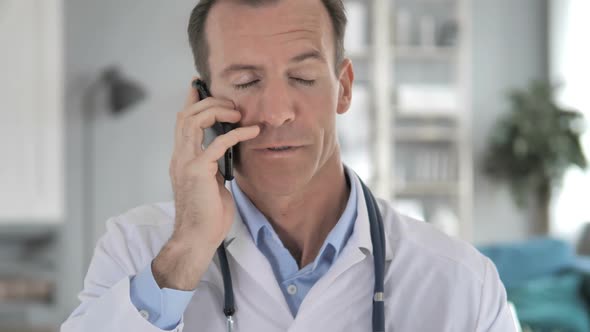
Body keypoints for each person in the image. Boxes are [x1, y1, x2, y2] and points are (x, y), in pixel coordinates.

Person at [61, 0, 517, 331]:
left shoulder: (463, 283)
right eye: (246, 81)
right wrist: (186, 252)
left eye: (302, 77)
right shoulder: (137, 250)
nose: (277, 111)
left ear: (343, 87)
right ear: (202, 101)